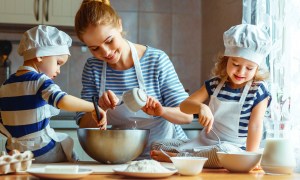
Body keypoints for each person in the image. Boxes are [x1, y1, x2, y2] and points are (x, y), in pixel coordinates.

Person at [74, 0, 193, 159]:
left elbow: (187, 116)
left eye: (109, 40)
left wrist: (161, 111)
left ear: (119, 25)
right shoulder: (93, 67)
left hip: (165, 156)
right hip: (122, 158)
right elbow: (83, 124)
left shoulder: (156, 60)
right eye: (94, 48)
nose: (106, 52)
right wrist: (99, 108)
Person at [151, 24, 272, 168]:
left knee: (223, 153)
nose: (241, 71)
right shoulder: (215, 84)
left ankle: (179, 158)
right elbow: (184, 106)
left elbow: (256, 126)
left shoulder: (258, 90)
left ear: (257, 68)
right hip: (205, 143)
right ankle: (187, 158)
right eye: (235, 64)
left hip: (233, 148)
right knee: (159, 144)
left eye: (249, 68)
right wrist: (201, 107)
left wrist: (250, 159)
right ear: (226, 60)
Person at [0, 25, 107, 163]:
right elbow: (62, 100)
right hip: (41, 151)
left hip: (14, 154)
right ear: (40, 56)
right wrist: (94, 107)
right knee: (66, 145)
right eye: (58, 63)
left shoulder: (5, 85)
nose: (58, 70)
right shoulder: (40, 81)